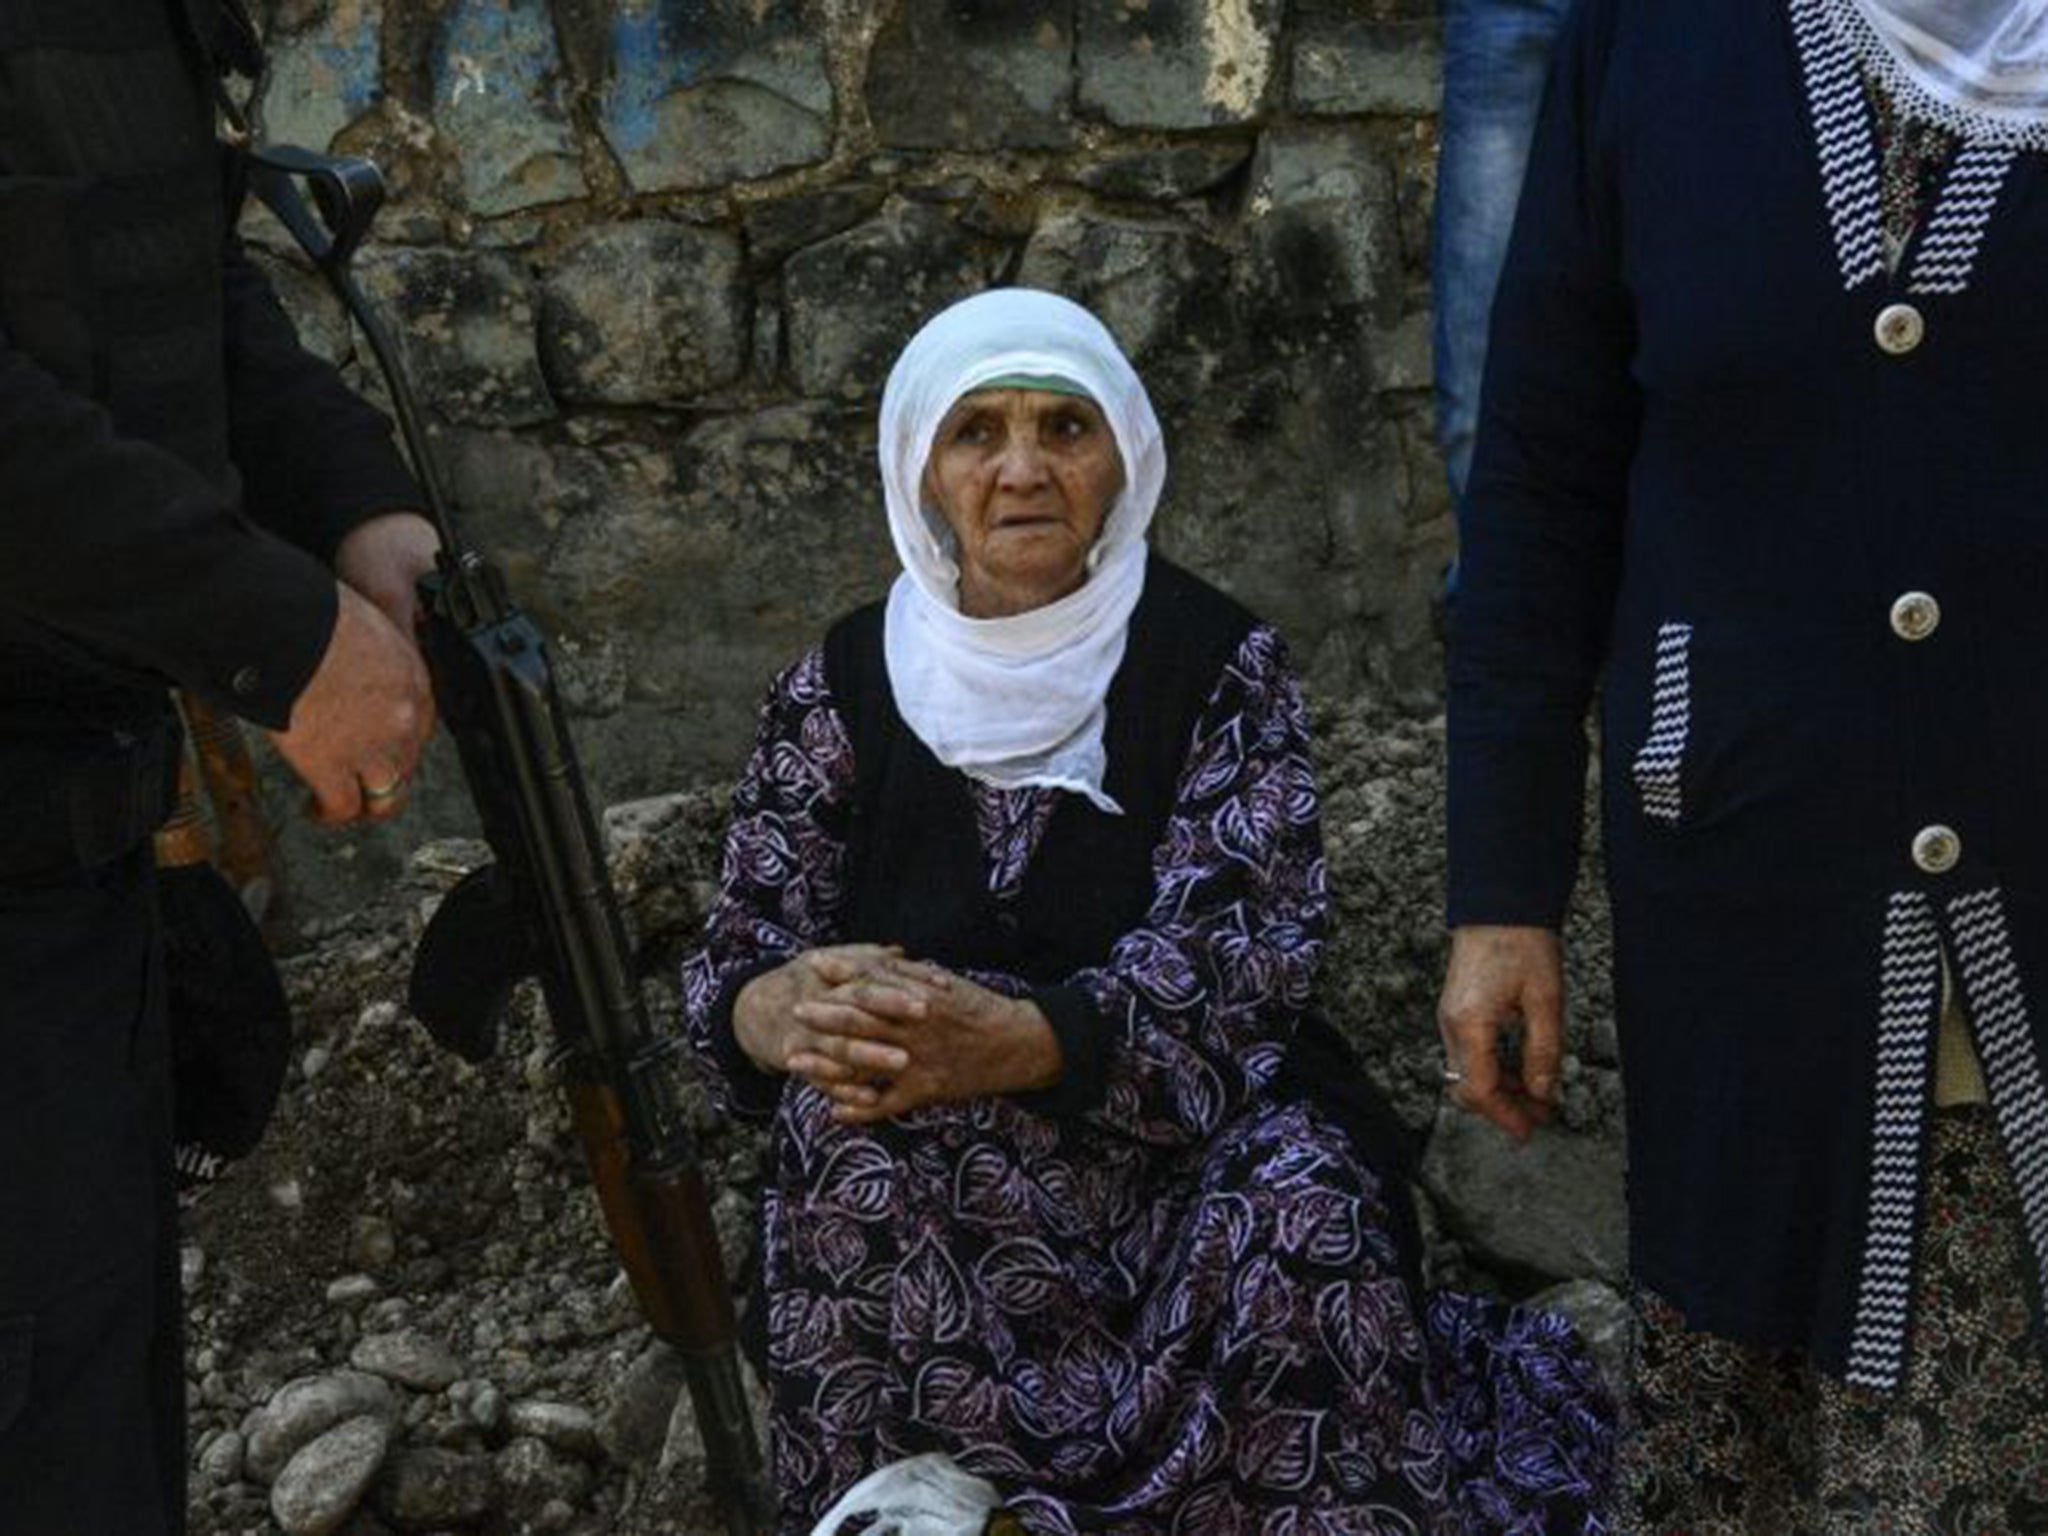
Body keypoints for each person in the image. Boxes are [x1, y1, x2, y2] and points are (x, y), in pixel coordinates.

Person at [682, 288, 1614, 1534]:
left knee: (1304, 1210)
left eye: (1064, 428)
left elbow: (1243, 962)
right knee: (839, 1147)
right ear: (920, 464)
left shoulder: (1219, 662)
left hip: (1189, 1136)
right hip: (938, 1148)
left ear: (1121, 453)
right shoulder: (839, 686)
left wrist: (1023, 1041)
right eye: (976, 433)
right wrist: (777, 1011)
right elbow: (741, 949)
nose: (1021, 470)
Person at [1439, 0, 2048, 1526]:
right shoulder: (1653, 41)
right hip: (1748, 887)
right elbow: (1538, 480)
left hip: (2029, 860)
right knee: (1748, 1402)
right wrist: (1502, 890)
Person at [0, 3, 438, 1532]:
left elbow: (164, 278)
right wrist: (279, 636)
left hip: (72, 863)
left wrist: (347, 498)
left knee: (85, 1421)